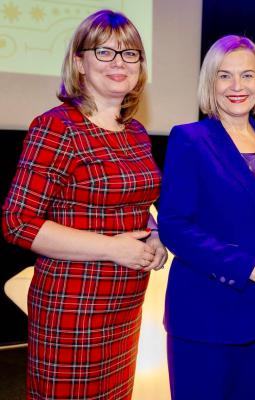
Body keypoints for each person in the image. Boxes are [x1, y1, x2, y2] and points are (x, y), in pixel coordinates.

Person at [1, 9, 165, 400]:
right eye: (105, 52)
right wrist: (112, 248)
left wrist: (155, 233)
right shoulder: (58, 127)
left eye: (129, 53)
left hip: (125, 307)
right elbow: (17, 222)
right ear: (79, 62)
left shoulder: (136, 133)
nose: (119, 63)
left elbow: (134, 202)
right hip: (73, 308)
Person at [158, 35, 255, 400]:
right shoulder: (189, 139)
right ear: (210, 82)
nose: (237, 86)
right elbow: (175, 226)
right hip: (204, 316)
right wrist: (249, 267)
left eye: (247, 75)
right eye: (225, 75)